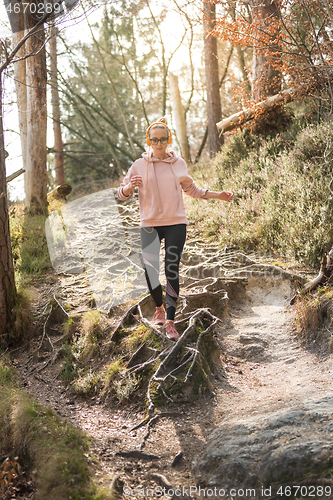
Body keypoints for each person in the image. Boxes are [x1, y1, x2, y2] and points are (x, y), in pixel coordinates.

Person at [117, 118, 233, 341]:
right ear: (149, 141)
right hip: (149, 224)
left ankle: (170, 321)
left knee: (172, 269)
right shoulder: (138, 165)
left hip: (176, 223)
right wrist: (130, 186)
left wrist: (217, 195)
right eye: (154, 140)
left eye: (163, 139)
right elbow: (121, 194)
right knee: (150, 269)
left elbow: (192, 189)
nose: (159, 143)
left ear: (168, 140)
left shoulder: (178, 163)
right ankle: (158, 308)